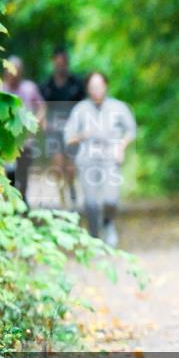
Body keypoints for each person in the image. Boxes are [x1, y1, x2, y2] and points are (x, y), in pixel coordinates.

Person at [63, 71, 137, 247]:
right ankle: (94, 236)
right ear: (87, 89)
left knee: (111, 199)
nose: (96, 90)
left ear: (106, 86)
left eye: (99, 86)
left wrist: (121, 146)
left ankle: (108, 223)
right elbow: (68, 137)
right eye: (92, 87)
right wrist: (82, 135)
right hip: (87, 158)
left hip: (110, 157)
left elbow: (131, 130)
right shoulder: (80, 109)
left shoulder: (119, 107)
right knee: (91, 203)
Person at [39, 45, 86, 209]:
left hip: (73, 130)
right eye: (58, 63)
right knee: (57, 166)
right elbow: (42, 107)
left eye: (63, 63)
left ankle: (72, 191)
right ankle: (62, 202)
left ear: (67, 63)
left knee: (70, 167)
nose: (61, 66)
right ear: (53, 62)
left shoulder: (77, 84)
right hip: (54, 131)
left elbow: (83, 107)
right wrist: (43, 124)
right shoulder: (46, 85)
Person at [1, 56, 47, 203]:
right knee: (9, 172)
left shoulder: (29, 88)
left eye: (17, 71)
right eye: (11, 71)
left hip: (26, 140)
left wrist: (36, 123)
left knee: (23, 170)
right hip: (7, 141)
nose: (13, 74)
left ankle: (23, 198)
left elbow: (42, 106)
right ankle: (12, 201)